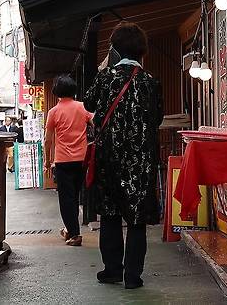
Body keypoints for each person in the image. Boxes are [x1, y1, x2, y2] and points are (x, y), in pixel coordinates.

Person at [84, 22, 163, 290]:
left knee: (110, 214)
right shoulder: (150, 82)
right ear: (142, 51)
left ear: (115, 49)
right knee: (137, 218)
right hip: (141, 161)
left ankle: (113, 270)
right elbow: (158, 118)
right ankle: (133, 276)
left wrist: (105, 67)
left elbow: (89, 103)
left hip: (109, 159)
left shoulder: (105, 77)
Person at [44, 75, 93, 247]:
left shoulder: (54, 112)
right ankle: (69, 229)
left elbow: (48, 139)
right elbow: (97, 123)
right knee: (75, 195)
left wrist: (46, 160)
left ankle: (74, 234)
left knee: (67, 198)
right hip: (82, 159)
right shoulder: (83, 107)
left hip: (63, 160)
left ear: (56, 91)